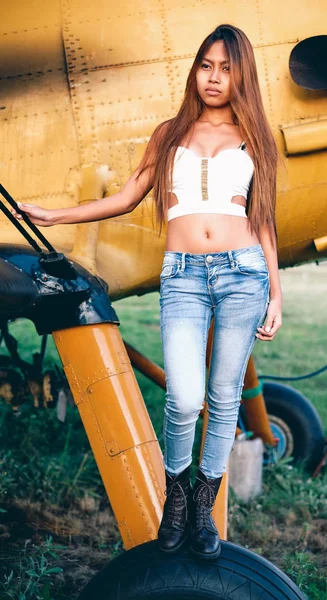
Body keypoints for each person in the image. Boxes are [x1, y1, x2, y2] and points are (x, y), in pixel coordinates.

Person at [11, 24, 282, 560]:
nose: (214, 77)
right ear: (195, 69)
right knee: (184, 398)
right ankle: (176, 499)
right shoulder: (169, 133)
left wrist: (275, 293)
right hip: (182, 275)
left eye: (226, 68)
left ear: (242, 75)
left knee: (225, 398)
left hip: (243, 275)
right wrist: (56, 214)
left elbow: (264, 220)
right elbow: (129, 197)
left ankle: (202, 507)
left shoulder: (256, 138)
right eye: (206, 65)